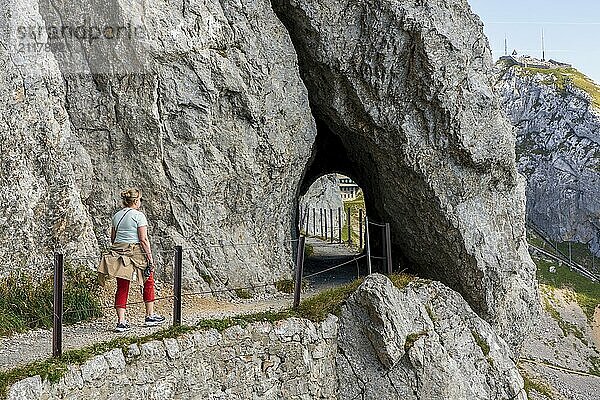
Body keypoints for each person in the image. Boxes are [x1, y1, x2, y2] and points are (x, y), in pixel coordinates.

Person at [98, 188, 165, 332]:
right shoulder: (139, 216)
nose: (141, 202)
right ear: (135, 201)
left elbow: (113, 238)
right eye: (140, 199)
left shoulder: (116, 216)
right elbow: (143, 239)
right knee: (149, 280)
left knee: (122, 285)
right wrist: (150, 258)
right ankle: (149, 315)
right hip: (136, 252)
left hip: (120, 253)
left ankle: (121, 321)